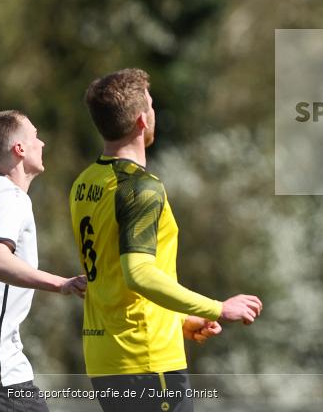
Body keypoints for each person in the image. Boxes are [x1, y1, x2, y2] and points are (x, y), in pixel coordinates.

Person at [70, 69, 263, 412]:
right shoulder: (140, 188)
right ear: (142, 120)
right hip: (147, 360)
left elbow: (115, 280)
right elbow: (138, 274)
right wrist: (218, 307)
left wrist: (179, 321)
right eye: (152, 106)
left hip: (107, 358)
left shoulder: (85, 182)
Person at [0, 110, 86, 412]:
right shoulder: (11, 197)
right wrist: (62, 283)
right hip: (2, 381)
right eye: (35, 136)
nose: (42, 143)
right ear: (19, 149)